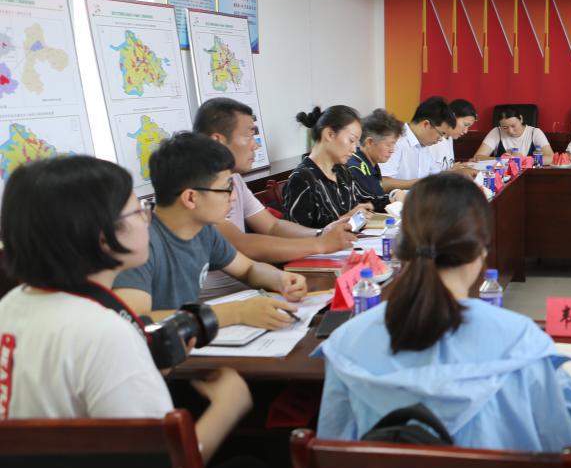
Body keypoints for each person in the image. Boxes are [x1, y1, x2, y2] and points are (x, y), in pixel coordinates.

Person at [0, 156, 270, 468]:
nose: (147, 218)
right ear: (101, 237)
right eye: (137, 210)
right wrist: (229, 406)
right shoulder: (102, 331)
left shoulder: (12, 305)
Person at [315, 174, 571, 458]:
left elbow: (332, 450)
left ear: (399, 248)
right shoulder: (522, 341)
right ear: (481, 250)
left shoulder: (346, 342)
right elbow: (569, 450)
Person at [114, 133, 306, 327]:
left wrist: (280, 279)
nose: (233, 197)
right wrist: (237, 312)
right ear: (190, 198)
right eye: (226, 188)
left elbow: (248, 269)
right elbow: (137, 320)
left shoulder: (203, 230)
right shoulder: (140, 244)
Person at [195, 97, 357, 299]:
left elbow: (272, 226)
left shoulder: (234, 179)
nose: (255, 146)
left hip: (249, 293)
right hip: (216, 303)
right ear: (217, 141)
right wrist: (319, 244)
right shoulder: (198, 188)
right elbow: (241, 243)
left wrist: (321, 233)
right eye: (249, 136)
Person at [285, 105, 386, 229]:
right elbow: (297, 235)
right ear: (329, 134)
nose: (354, 149)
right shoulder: (301, 179)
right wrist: (346, 218)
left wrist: (394, 195)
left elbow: (366, 200)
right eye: (351, 140)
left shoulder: (342, 171)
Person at [380, 96, 456, 191]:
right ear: (426, 124)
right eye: (441, 134)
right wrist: (420, 183)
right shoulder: (396, 140)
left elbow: (435, 175)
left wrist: (459, 174)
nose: (440, 139)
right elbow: (383, 182)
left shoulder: (424, 144)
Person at [348, 107, 406, 204]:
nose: (392, 150)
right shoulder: (356, 168)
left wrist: (394, 194)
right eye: (388, 145)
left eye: (394, 144)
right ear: (369, 142)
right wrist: (393, 197)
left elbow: (377, 198)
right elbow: (370, 204)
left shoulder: (372, 164)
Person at [473, 106, 554, 162]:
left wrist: (524, 160)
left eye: (513, 126)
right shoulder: (496, 131)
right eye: (505, 127)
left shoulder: (535, 132)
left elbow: (551, 157)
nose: (510, 131)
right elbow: (477, 157)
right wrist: (501, 159)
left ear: (521, 119)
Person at [428, 98, 480, 179]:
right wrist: (455, 172)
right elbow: (426, 176)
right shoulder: (433, 140)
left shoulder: (449, 138)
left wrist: (462, 166)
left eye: (468, 127)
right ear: (452, 117)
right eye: (465, 124)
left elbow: (446, 167)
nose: (466, 131)